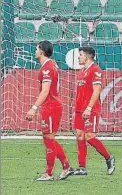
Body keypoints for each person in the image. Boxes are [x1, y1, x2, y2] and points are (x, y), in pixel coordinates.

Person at [25, 40, 74, 181]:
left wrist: (34, 108)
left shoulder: (47, 68)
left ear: (41, 51)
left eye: (36, 49)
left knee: (49, 139)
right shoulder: (50, 65)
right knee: (48, 139)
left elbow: (45, 91)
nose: (35, 52)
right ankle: (66, 167)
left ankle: (49, 173)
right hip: (51, 106)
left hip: (51, 107)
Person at [72, 47, 115, 176]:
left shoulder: (95, 70)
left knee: (89, 137)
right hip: (79, 109)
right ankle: (82, 167)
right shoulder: (81, 71)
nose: (79, 57)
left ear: (88, 56)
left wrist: (89, 108)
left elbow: (97, 90)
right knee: (79, 135)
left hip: (90, 109)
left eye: (80, 55)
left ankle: (109, 158)